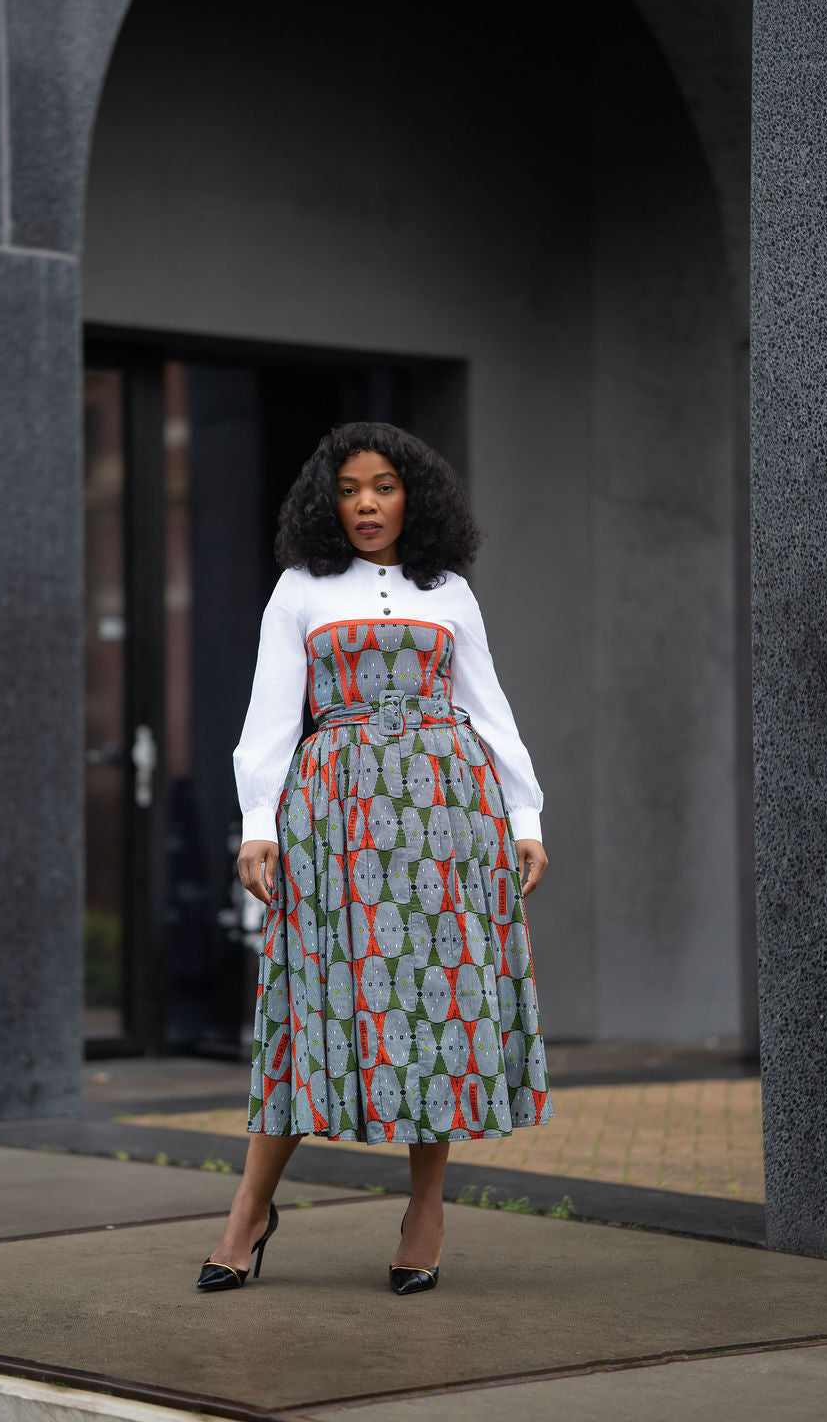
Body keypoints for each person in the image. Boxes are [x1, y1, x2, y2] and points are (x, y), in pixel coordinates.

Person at [197, 421, 552, 1295]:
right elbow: (271, 716)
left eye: (384, 486)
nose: (366, 503)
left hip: (446, 811)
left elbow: (489, 708)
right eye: (350, 488)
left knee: (440, 1006)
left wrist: (525, 814)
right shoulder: (300, 590)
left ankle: (424, 1210)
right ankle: (250, 1208)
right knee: (307, 1001)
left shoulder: (451, 594)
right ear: (330, 499)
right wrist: (257, 822)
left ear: (412, 496)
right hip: (335, 814)